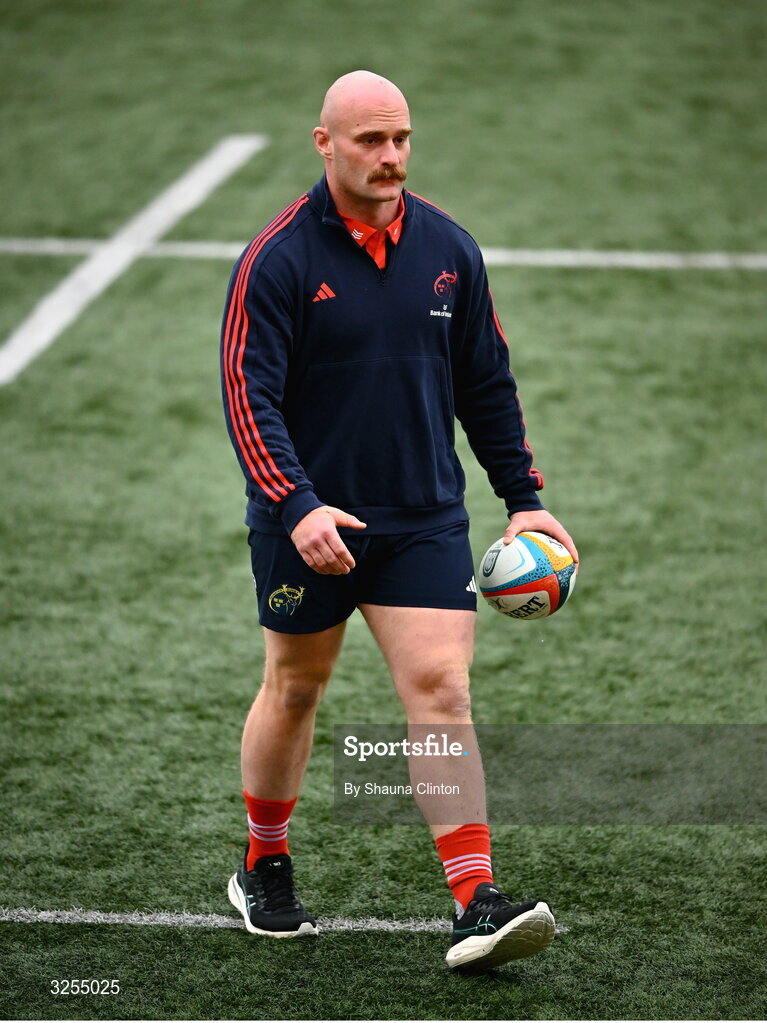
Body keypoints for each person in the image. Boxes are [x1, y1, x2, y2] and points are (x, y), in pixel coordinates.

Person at [220, 70, 578, 969]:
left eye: (401, 139)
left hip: (422, 516)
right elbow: (247, 394)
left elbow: (485, 383)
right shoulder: (279, 259)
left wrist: (523, 497)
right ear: (324, 143)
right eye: (371, 140)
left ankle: (474, 897)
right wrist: (295, 505)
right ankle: (264, 860)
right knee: (295, 687)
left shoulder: (449, 249)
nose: (390, 157)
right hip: (310, 522)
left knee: (440, 691)